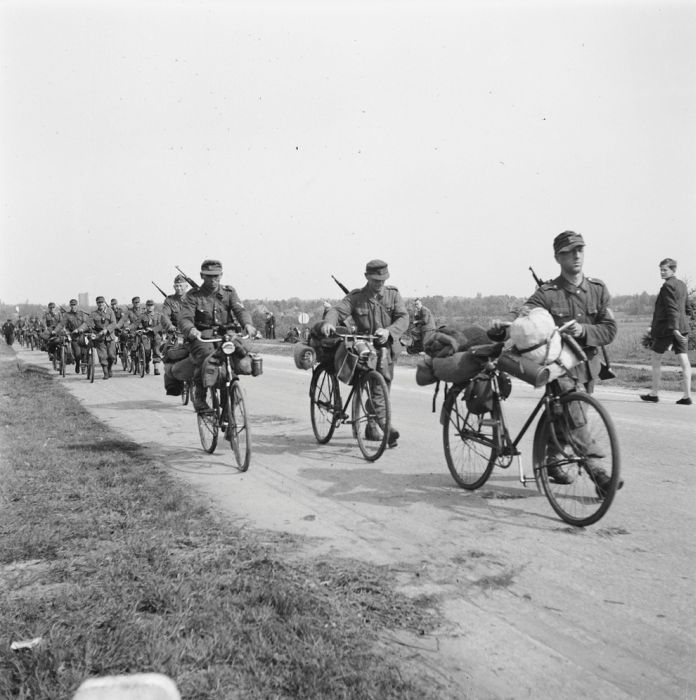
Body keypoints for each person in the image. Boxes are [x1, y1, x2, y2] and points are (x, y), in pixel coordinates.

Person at [490, 230, 621, 496]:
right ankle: (598, 473)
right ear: (557, 257)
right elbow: (524, 315)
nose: (576, 256)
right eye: (568, 252)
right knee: (575, 413)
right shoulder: (548, 293)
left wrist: (583, 331)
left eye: (580, 250)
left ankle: (551, 461)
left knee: (567, 415)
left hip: (588, 366)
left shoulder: (597, 289)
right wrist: (504, 324)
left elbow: (609, 330)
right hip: (558, 367)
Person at [321, 259, 409, 447]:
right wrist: (329, 322)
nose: (380, 284)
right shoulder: (356, 297)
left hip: (387, 350)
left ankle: (371, 424)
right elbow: (337, 311)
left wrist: (389, 331)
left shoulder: (393, 295)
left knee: (382, 388)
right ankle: (386, 428)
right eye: (376, 279)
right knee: (377, 389)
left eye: (383, 280)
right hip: (365, 350)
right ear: (366, 277)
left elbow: (403, 317)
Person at [178, 259, 256, 412]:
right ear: (202, 276)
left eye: (216, 276)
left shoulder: (229, 292)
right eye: (209, 276)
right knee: (204, 358)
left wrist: (247, 324)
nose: (213, 280)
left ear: (221, 275)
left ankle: (232, 391)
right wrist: (192, 330)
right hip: (203, 335)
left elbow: (240, 310)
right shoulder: (193, 296)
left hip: (227, 333)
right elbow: (185, 318)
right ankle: (200, 397)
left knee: (237, 353)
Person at [640, 258, 692, 405]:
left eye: (665, 270)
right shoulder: (682, 285)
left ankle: (654, 394)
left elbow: (671, 309)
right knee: (684, 360)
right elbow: (687, 308)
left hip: (668, 329)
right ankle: (687, 396)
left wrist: (674, 329)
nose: (662, 273)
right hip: (682, 327)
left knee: (656, 359)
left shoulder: (667, 286)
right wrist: (683, 324)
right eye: (661, 270)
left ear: (673, 270)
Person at [86, 296, 118, 379]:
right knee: (103, 356)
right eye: (98, 303)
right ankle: (105, 373)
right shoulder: (93, 313)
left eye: (102, 302)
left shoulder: (110, 311)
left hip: (109, 336)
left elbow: (114, 323)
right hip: (99, 337)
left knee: (112, 356)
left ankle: (109, 368)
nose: (100, 304)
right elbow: (87, 323)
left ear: (104, 303)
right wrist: (81, 329)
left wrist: (107, 330)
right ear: (97, 304)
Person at [130, 299, 164, 375]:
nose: (149, 307)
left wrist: (153, 329)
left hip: (156, 334)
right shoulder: (142, 315)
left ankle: (156, 369)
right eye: (148, 305)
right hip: (146, 335)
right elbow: (135, 324)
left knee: (156, 350)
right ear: (146, 306)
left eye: (151, 305)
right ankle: (147, 363)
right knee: (147, 351)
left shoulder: (158, 315)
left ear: (154, 306)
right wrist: (129, 328)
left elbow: (161, 325)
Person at [53, 299, 87, 372]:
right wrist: (55, 330)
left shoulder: (82, 314)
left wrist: (81, 329)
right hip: (74, 336)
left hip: (82, 335)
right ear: (70, 306)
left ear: (77, 305)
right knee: (77, 354)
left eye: (74, 305)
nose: (73, 306)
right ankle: (78, 363)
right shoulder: (67, 315)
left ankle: (84, 365)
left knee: (85, 351)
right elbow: (61, 324)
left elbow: (86, 323)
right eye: (72, 305)